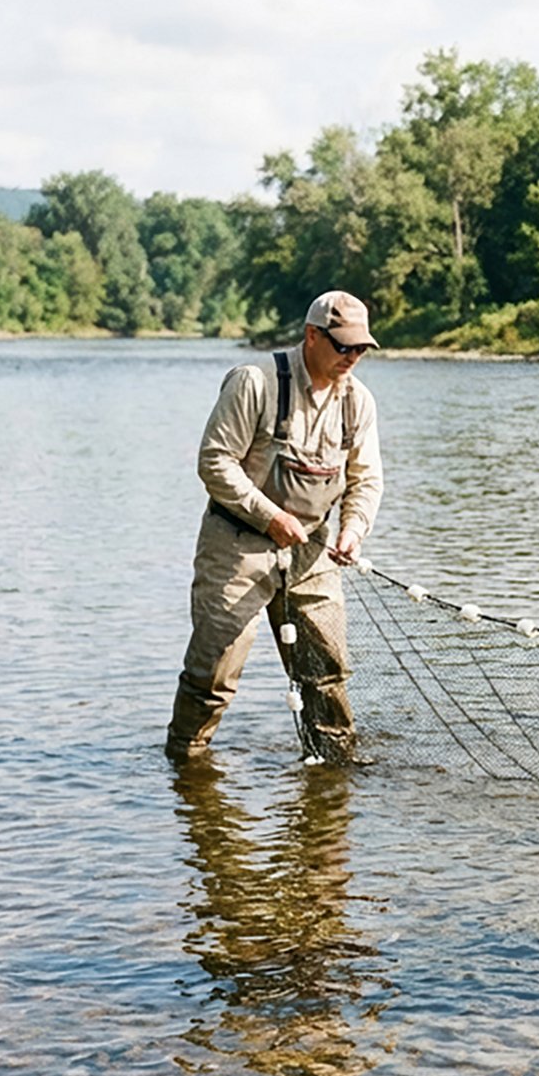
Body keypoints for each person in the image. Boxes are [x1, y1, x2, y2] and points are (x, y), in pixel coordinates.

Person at [166, 290, 383, 764]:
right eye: (343, 346)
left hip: (313, 552)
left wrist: (353, 530)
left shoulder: (359, 403)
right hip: (237, 545)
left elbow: (366, 480)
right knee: (214, 672)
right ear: (311, 336)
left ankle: (333, 771)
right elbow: (214, 462)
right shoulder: (255, 383)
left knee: (325, 670)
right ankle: (186, 764)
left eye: (361, 348)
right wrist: (271, 515)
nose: (353, 357)